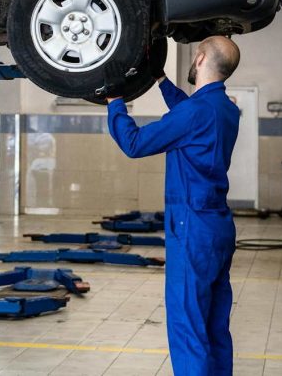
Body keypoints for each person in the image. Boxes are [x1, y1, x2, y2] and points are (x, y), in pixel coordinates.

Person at [103, 36, 241, 376]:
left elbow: (135, 144)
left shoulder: (195, 113)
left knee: (188, 325)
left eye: (195, 54)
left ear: (201, 58)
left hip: (192, 228)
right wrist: (160, 80)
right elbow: (186, 112)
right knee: (214, 326)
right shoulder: (225, 109)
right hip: (218, 227)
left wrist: (114, 102)